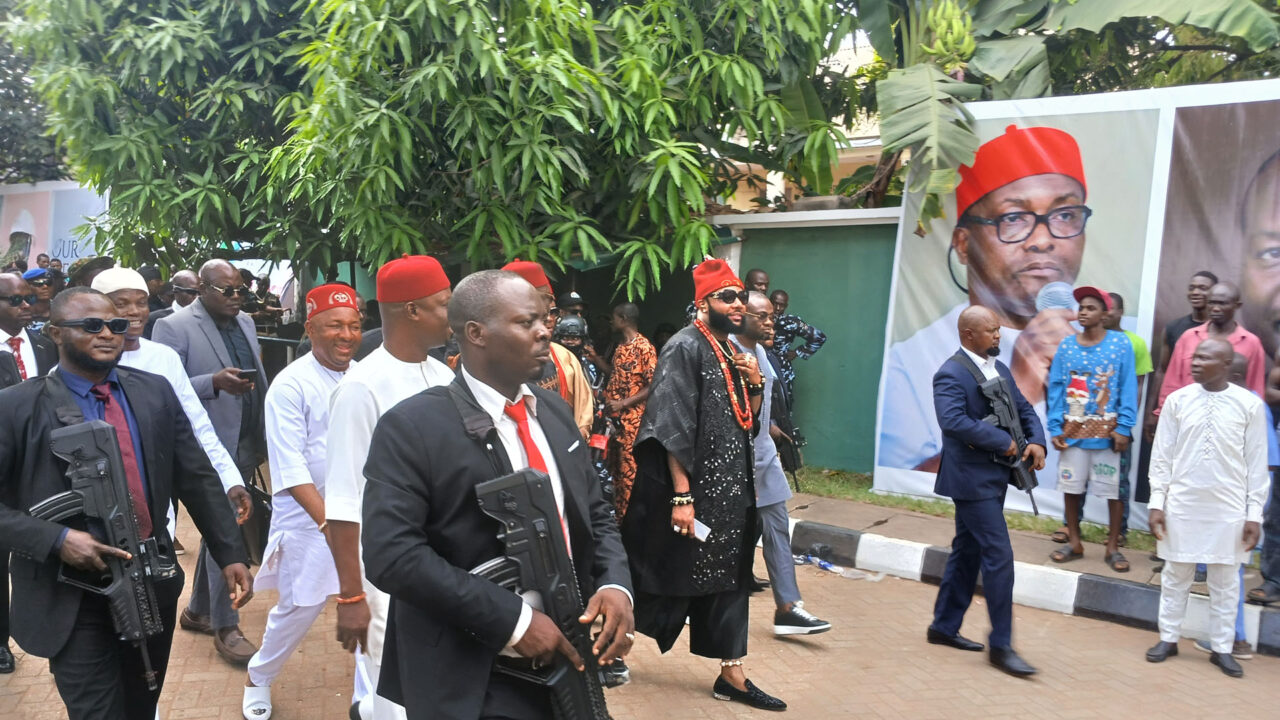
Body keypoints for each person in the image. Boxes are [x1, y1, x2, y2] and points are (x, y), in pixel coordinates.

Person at [361, 270, 634, 718]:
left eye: (545, 319)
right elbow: (392, 555)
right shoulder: (411, 427)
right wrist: (514, 621)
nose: (546, 331)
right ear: (476, 334)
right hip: (468, 675)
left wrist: (614, 582)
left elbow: (594, 510)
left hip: (566, 658)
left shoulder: (553, 412)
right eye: (527, 322)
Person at [0, 287, 253, 719]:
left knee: (141, 706)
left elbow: (195, 476)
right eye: (91, 326)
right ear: (56, 333)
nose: (108, 334)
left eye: (116, 325)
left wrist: (231, 552)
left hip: (148, 582)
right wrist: (57, 537)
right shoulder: (16, 408)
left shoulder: (153, 392)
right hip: (69, 596)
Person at [621, 259, 785, 711]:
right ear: (702, 303)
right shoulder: (684, 347)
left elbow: (746, 425)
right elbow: (671, 426)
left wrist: (754, 384)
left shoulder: (729, 349)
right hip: (695, 495)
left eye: (740, 297)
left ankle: (731, 676)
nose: (739, 304)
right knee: (661, 579)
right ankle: (605, 647)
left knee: (729, 583)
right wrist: (682, 496)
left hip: (731, 496)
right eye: (727, 297)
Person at [880, 124, 1092, 470]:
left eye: (1065, 215)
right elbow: (905, 484)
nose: (1043, 240)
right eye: (1013, 218)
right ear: (964, 245)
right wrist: (1018, 386)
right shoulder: (909, 363)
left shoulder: (1117, 339)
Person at [324, 255, 453, 720]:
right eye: (444, 304)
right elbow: (342, 502)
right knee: (393, 700)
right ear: (411, 311)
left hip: (440, 565)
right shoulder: (362, 388)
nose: (452, 315)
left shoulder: (445, 377)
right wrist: (352, 597)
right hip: (384, 575)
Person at [241, 285, 361, 719]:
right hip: (311, 520)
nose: (346, 335)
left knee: (373, 605)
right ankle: (259, 676)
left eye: (353, 326)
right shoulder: (290, 386)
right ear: (310, 329)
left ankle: (369, 700)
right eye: (334, 326)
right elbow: (290, 469)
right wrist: (332, 528)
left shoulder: (363, 376)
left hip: (363, 515)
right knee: (300, 607)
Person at [153, 259, 267, 665]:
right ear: (203, 289)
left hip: (245, 440)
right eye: (228, 291)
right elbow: (163, 385)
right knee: (228, 523)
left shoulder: (247, 322)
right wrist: (213, 382)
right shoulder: (174, 326)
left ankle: (199, 610)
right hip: (205, 446)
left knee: (221, 525)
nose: (237, 298)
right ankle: (226, 623)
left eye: (241, 291)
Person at [90, 267, 251, 548]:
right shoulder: (82, 363)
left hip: (156, 501)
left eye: (141, 302)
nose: (134, 311)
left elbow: (197, 425)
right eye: (121, 303)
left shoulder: (163, 358)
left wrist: (229, 479)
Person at [927, 305, 1046, 678]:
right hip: (971, 480)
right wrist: (1002, 442)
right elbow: (953, 421)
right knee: (999, 555)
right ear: (968, 335)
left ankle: (943, 627)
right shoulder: (950, 374)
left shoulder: (999, 368)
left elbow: (1024, 408)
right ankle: (1002, 646)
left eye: (998, 330)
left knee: (968, 551)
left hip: (995, 476)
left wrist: (1037, 441)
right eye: (991, 331)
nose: (998, 336)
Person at [1144, 339, 1269, 678]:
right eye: (1194, 355)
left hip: (1229, 509)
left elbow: (1257, 463)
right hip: (1182, 504)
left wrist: (1253, 513)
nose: (1194, 361)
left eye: (1204, 357)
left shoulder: (1249, 405)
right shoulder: (1177, 401)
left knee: (1226, 581)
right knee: (1176, 576)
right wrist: (1158, 502)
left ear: (1226, 364)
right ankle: (1168, 638)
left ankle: (1222, 648)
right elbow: (1163, 456)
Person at [731, 292, 831, 636]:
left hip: (764, 458)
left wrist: (772, 427)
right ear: (740, 316)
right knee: (711, 535)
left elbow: (763, 400)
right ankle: (681, 600)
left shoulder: (762, 351)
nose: (770, 322)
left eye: (771, 316)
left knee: (777, 530)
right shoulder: (726, 352)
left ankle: (788, 608)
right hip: (732, 463)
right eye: (762, 316)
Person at [1045, 288, 1137, 572]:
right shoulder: (1067, 346)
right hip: (1073, 431)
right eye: (1081, 307)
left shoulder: (1121, 344)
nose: (1083, 312)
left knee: (1113, 491)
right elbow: (1057, 387)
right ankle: (1074, 541)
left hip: (1108, 435)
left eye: (1091, 308)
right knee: (1071, 487)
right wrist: (1055, 425)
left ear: (1105, 314)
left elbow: (1128, 386)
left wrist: (1124, 426)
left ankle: (1112, 547)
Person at [1191, 353, 1277, 659]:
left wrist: (1250, 512)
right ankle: (1228, 637)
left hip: (1236, 508)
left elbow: (1266, 463)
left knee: (1230, 573)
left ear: (1232, 376)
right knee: (1222, 572)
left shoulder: (1251, 406)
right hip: (1216, 505)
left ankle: (1236, 640)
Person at [0, 271, 57, 675]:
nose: (26, 307)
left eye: (28, 299)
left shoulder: (43, 343)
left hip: (43, 465)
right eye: (15, 301)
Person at [502, 260, 594, 437]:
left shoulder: (564, 357)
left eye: (551, 313)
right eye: (532, 318)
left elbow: (583, 415)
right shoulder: (491, 363)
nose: (549, 320)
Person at [1156, 282, 1266, 415]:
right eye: (1211, 303)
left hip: (1229, 418)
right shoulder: (1189, 337)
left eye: (1222, 303)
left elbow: (1255, 388)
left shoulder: (1251, 343)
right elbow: (1172, 381)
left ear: (1237, 306)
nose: (1215, 308)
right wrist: (1163, 412)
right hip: (1187, 415)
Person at [602, 302, 656, 519]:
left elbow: (654, 384)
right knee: (613, 473)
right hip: (613, 422)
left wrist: (623, 404)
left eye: (614, 318)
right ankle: (617, 520)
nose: (611, 322)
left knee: (628, 474)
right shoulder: (621, 347)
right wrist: (595, 359)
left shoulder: (644, 347)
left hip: (632, 423)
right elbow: (614, 374)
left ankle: (630, 522)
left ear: (623, 319)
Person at [767, 288, 826, 406]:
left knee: (783, 408)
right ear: (769, 301)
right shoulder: (760, 318)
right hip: (761, 367)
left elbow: (819, 337)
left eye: (782, 305)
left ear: (786, 306)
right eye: (775, 303)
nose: (777, 308)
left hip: (782, 371)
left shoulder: (791, 322)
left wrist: (797, 352)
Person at [145, 268, 200, 339]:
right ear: (176, 291)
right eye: (192, 292)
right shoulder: (153, 319)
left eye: (200, 292)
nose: (197, 297)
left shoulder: (208, 316)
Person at [22, 266, 54, 332]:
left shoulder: (60, 309)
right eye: (39, 283)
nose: (45, 286)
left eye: (48, 282)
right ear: (27, 287)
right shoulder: (19, 311)